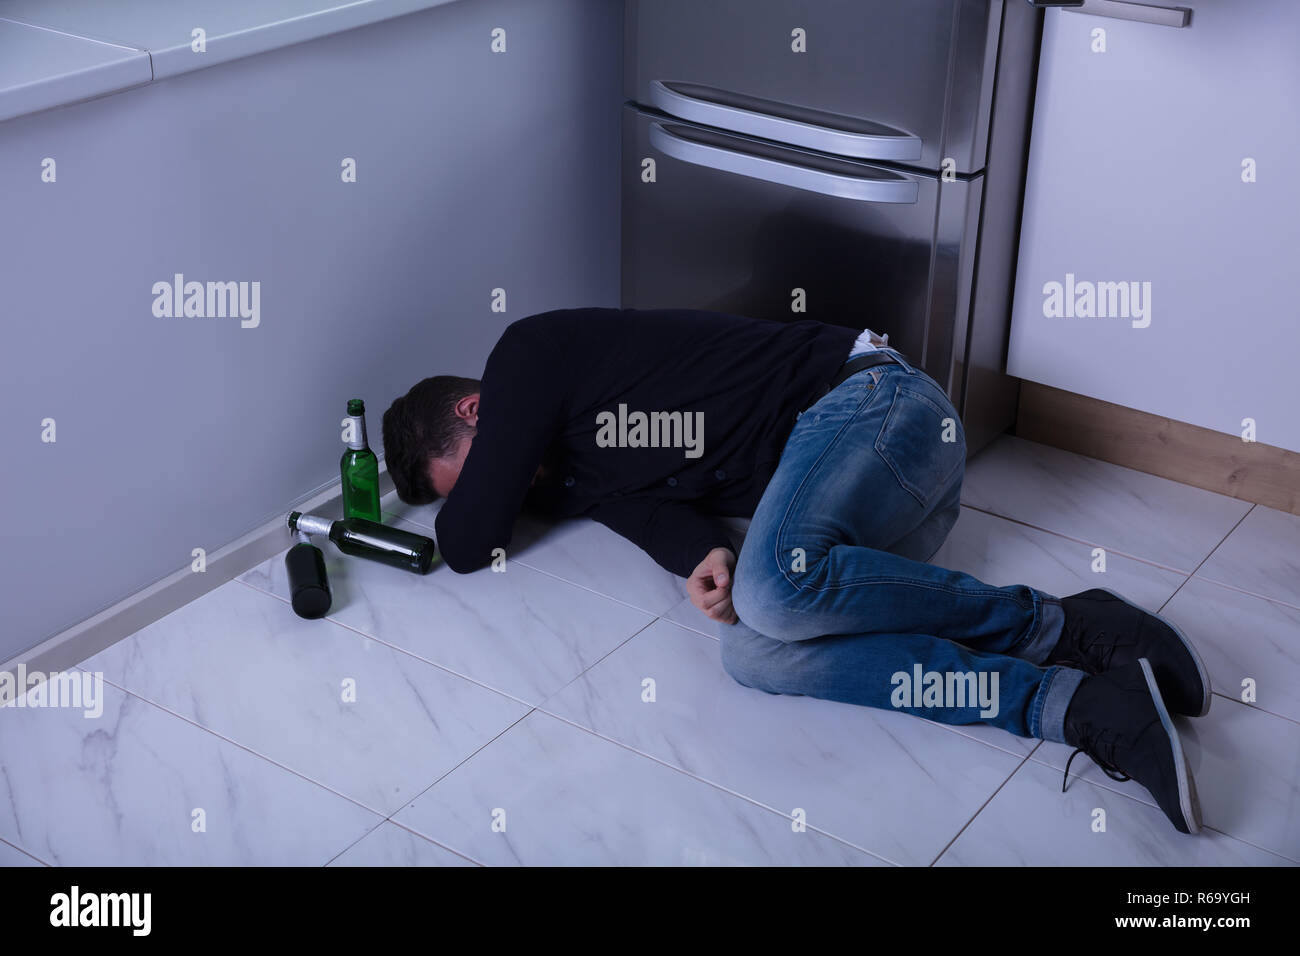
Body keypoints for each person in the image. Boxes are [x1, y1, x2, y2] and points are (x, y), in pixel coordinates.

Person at [382, 307, 1210, 834]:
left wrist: (392, 509)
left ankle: (1063, 623)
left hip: (879, 408)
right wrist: (701, 555)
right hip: (883, 496)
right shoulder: (564, 471)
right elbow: (641, 508)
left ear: (477, 410)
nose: (512, 488)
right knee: (753, 652)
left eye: (486, 466)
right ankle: (1071, 704)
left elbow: (465, 541)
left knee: (773, 590)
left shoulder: (527, 352)